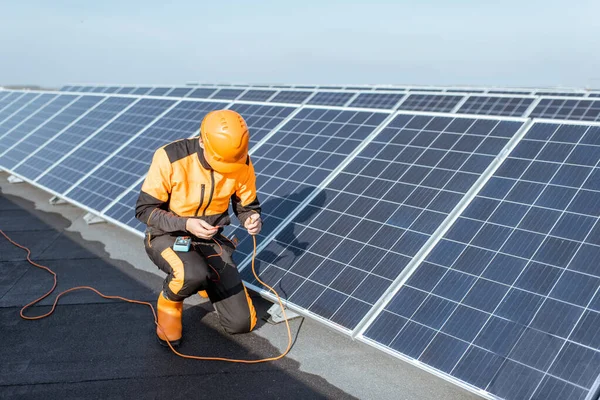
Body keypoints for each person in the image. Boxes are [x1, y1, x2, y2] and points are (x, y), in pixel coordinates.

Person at [135, 109, 262, 346]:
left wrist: (250, 218)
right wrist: (185, 223)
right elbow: (144, 210)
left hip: (209, 239)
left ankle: (206, 280)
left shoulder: (241, 161)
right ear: (202, 141)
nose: (226, 168)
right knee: (189, 274)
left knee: (241, 324)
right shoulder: (170, 157)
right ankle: (169, 303)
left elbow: (247, 205)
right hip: (168, 235)